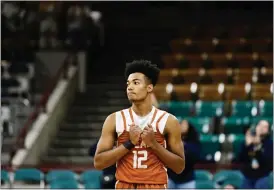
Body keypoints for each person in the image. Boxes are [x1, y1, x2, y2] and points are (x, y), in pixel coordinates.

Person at [94, 60, 185, 189]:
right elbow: (99, 162)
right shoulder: (114, 119)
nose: (130, 87)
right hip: (125, 185)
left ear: (149, 87)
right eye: (128, 84)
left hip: (155, 186)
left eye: (136, 83)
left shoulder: (169, 121)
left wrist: (154, 145)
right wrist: (128, 144)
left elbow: (179, 166)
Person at [238, 120, 273, 189]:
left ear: (268, 131)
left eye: (265, 127)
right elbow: (240, 159)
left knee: (261, 184)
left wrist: (258, 147)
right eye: (260, 125)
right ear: (256, 127)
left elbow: (268, 162)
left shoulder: (270, 144)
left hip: (263, 176)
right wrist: (247, 146)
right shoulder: (248, 141)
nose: (261, 128)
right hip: (248, 175)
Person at [168, 120, 201, 189]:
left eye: (184, 124)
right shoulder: (171, 138)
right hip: (171, 177)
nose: (182, 126)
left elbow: (195, 157)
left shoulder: (193, 141)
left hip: (187, 179)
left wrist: (184, 146)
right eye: (181, 124)